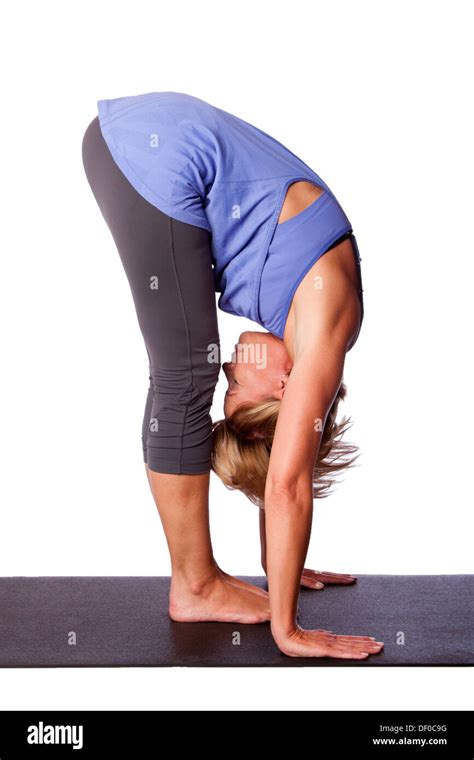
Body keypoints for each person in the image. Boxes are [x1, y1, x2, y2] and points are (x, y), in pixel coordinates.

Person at [82, 91, 383, 659]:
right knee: (185, 377)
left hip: (140, 146)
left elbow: (282, 465)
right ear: (285, 391)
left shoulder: (304, 331)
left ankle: (198, 581)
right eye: (239, 388)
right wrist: (287, 630)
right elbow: (287, 480)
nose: (230, 369)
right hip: (151, 154)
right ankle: (195, 585)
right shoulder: (325, 321)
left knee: (188, 370)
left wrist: (279, 567)